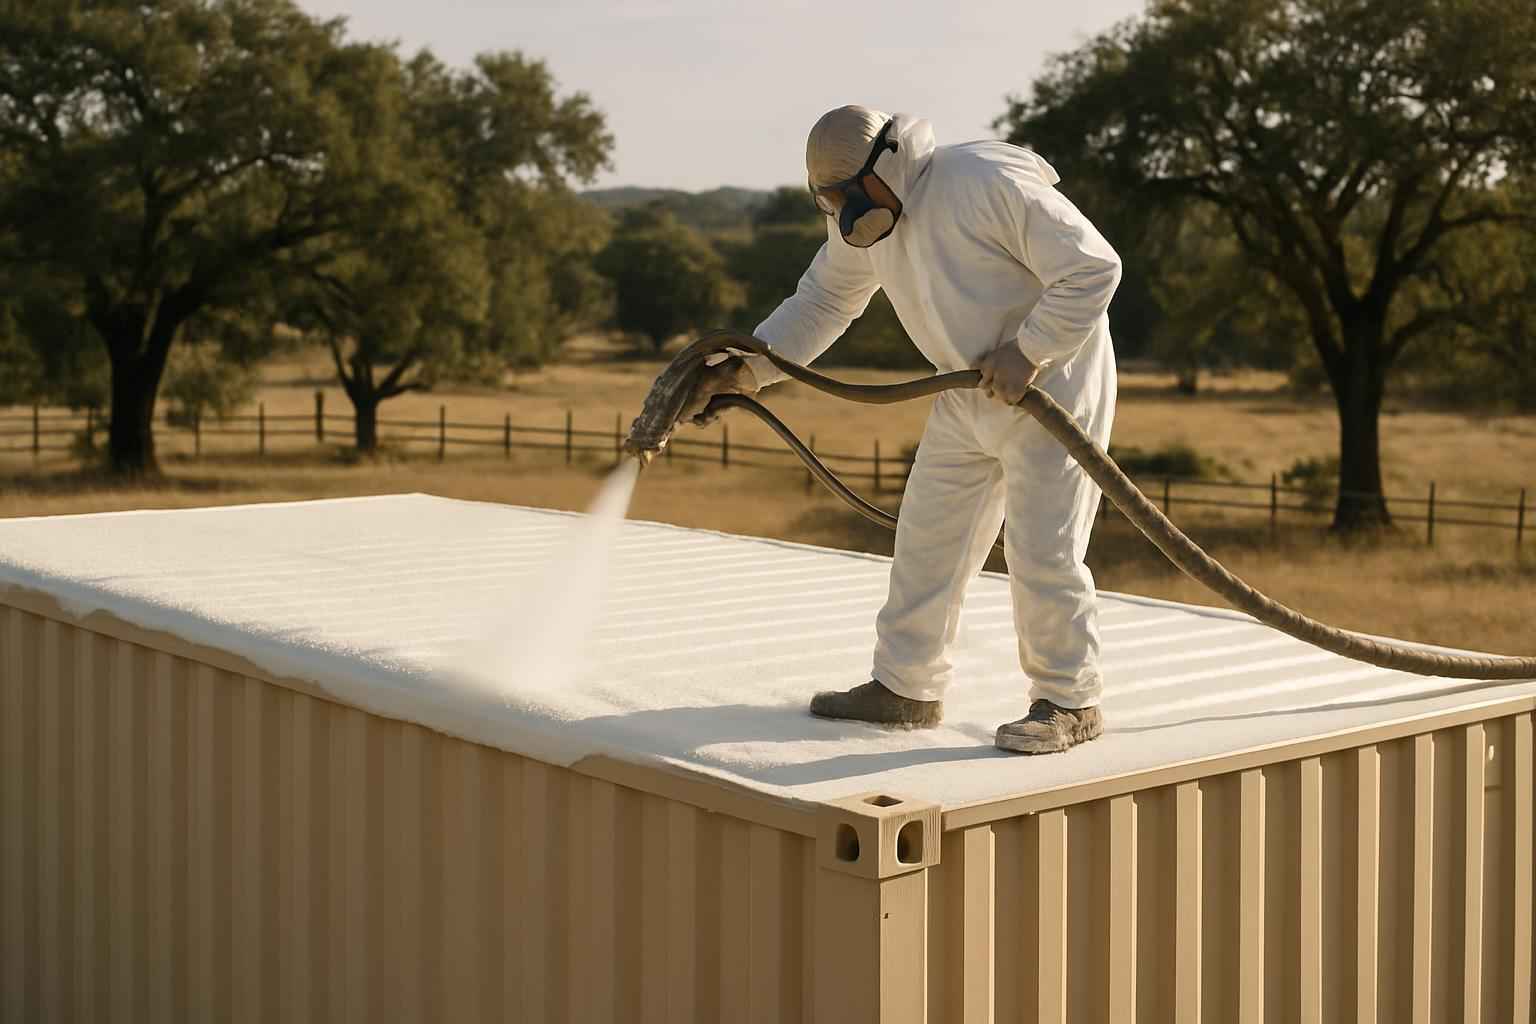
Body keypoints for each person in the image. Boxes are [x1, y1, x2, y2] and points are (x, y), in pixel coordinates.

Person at [684, 105, 1120, 754]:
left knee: (1042, 550)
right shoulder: (867, 221)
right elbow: (825, 300)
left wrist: (1029, 351)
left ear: (889, 161)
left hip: (1051, 388)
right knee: (928, 537)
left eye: (849, 197)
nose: (845, 216)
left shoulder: (983, 183)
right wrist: (748, 371)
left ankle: (1070, 700)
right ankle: (906, 688)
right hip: (963, 387)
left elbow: (1092, 266)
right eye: (830, 203)